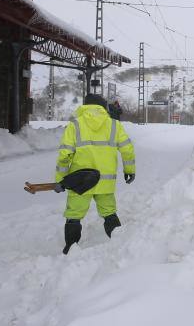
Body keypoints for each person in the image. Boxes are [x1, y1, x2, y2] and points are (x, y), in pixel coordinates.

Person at [55, 93, 136, 254]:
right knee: (109, 213)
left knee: (74, 215)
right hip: (105, 182)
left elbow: (64, 155)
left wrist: (61, 180)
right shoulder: (115, 125)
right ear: (102, 107)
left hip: (80, 181)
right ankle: (119, 248)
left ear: (85, 106)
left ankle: (70, 249)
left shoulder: (75, 125)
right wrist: (129, 170)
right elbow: (128, 149)